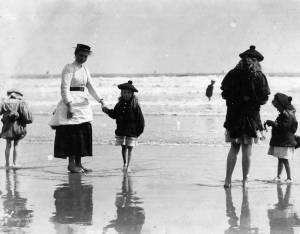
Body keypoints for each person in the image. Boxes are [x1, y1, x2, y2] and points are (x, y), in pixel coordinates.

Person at [49, 44, 104, 173]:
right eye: (80, 55)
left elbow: (91, 87)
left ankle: (79, 164)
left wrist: (101, 101)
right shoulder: (69, 68)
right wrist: (69, 106)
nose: (83, 58)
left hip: (83, 104)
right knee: (72, 135)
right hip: (71, 103)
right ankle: (71, 164)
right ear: (76, 54)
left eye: (85, 56)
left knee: (82, 133)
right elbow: (64, 88)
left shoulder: (85, 69)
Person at [221, 45, 270, 188]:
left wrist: (236, 100)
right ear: (257, 61)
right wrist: (250, 99)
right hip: (251, 116)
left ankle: (227, 180)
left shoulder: (232, 73)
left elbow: (224, 94)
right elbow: (264, 98)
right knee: (247, 150)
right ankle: (245, 181)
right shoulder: (259, 76)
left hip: (234, 115)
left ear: (242, 60)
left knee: (234, 148)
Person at [102, 80, 145, 172]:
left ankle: (128, 165)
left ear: (132, 94)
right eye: (124, 93)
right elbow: (114, 115)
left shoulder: (135, 106)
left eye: (128, 93)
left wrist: (138, 133)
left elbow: (141, 121)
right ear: (121, 93)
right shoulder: (119, 104)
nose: (126, 95)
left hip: (132, 132)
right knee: (123, 147)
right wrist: (106, 110)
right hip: (121, 130)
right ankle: (124, 163)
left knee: (130, 148)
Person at [264, 93, 298, 183]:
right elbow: (292, 129)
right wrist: (274, 124)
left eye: (277, 107)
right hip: (283, 141)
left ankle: (289, 178)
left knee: (285, 160)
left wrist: (273, 124)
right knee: (280, 159)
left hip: (285, 141)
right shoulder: (288, 114)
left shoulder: (287, 115)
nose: (277, 109)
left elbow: (284, 127)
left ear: (282, 105)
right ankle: (278, 176)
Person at [0, 89, 33, 169]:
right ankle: (15, 163)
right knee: (16, 145)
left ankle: (7, 164)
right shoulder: (21, 103)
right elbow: (26, 116)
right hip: (18, 127)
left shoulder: (4, 103)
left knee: (8, 145)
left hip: (7, 127)